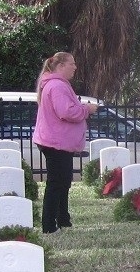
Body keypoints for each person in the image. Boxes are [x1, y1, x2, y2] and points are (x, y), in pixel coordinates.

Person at [32, 51, 95, 234]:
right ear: (60, 66)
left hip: (58, 142)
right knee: (56, 184)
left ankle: (63, 219)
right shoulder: (57, 86)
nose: (75, 67)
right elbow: (67, 112)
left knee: (63, 182)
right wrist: (87, 109)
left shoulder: (55, 85)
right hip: (55, 143)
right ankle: (49, 226)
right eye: (71, 64)